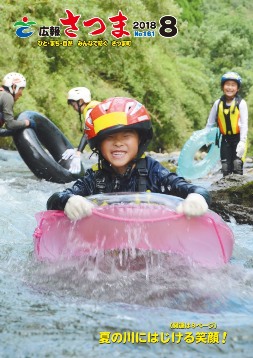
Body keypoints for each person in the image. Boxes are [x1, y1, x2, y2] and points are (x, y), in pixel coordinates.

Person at [47, 97, 210, 221]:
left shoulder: (153, 171)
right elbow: (54, 200)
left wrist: (198, 197)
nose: (118, 143)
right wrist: (69, 201)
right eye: (110, 137)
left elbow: (193, 189)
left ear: (140, 140)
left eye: (126, 136)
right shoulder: (95, 178)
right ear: (98, 145)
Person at [205, 71, 248, 176]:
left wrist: (242, 141)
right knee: (225, 168)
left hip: (238, 139)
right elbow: (210, 123)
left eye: (233, 85)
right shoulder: (217, 103)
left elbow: (244, 124)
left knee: (237, 165)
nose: (230, 88)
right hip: (225, 140)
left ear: (237, 88)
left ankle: (239, 192)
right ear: (222, 87)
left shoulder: (241, 103)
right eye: (227, 84)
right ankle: (226, 191)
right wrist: (206, 138)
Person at [61, 87, 100, 174]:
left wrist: (78, 153)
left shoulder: (90, 110)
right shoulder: (94, 108)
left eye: (74, 105)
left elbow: (87, 133)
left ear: (81, 101)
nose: (74, 108)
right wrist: (78, 149)